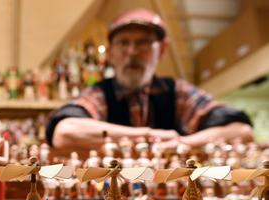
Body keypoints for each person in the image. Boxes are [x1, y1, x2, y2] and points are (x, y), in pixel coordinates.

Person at [46, 9, 253, 150]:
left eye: (143, 42)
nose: (132, 52)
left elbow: (241, 131)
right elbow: (65, 131)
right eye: (123, 43)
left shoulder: (177, 91)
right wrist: (149, 136)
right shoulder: (99, 93)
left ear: (161, 50)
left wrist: (183, 143)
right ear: (110, 53)